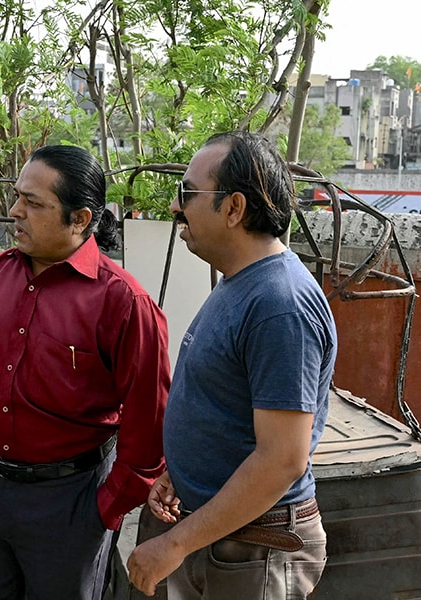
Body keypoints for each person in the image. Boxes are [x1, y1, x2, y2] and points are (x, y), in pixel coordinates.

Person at [0, 144, 170, 599]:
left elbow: (148, 430)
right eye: (18, 196)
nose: (15, 211)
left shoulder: (124, 303)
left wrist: (103, 512)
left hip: (69, 504)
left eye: (34, 203)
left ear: (80, 219)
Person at [126, 131, 337, 599]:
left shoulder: (280, 304)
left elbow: (282, 458)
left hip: (257, 548)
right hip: (226, 534)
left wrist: (174, 544)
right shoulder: (241, 283)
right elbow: (226, 403)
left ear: (234, 208)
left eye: (187, 194)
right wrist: (183, 473)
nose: (177, 208)